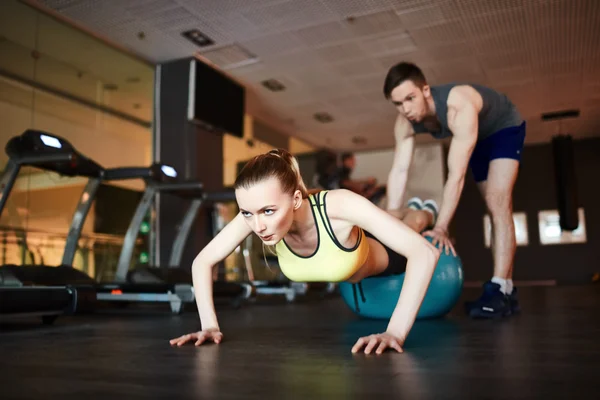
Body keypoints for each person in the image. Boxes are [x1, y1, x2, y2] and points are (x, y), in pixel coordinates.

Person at [170, 149, 441, 354]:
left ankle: (425, 211)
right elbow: (203, 261)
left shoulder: (339, 205)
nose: (258, 226)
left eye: (268, 211)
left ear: (296, 199)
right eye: (247, 213)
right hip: (349, 259)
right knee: (388, 216)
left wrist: (395, 332)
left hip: (380, 256)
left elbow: (425, 254)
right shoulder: (256, 216)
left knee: (412, 224)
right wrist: (209, 326)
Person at [383, 62, 526, 319]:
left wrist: (441, 227)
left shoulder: (457, 106)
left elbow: (456, 176)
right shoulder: (404, 122)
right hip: (477, 138)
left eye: (410, 98)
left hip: (503, 128)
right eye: (397, 103)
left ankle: (501, 290)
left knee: (498, 203)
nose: (405, 109)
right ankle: (506, 291)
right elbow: (400, 170)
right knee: (492, 206)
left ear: (426, 90)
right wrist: (391, 217)